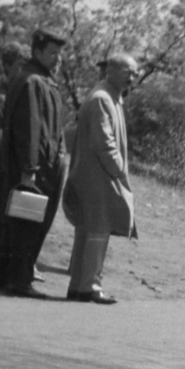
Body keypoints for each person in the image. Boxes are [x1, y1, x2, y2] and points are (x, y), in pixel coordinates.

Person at [0, 27, 69, 299]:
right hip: (33, 168)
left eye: (60, 54)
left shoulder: (39, 79)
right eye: (52, 53)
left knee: (19, 221)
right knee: (27, 223)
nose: (57, 59)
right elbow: (30, 128)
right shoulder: (34, 81)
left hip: (39, 164)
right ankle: (18, 280)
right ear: (37, 52)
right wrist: (29, 170)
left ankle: (5, 277)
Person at [63, 53, 138, 304]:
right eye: (129, 73)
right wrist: (118, 170)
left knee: (89, 232)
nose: (133, 78)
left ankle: (79, 286)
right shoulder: (101, 99)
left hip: (95, 177)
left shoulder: (110, 97)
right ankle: (90, 287)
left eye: (135, 73)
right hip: (98, 178)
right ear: (112, 71)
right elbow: (104, 142)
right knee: (97, 231)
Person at [0, 43, 29, 276]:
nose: (24, 71)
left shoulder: (19, 95)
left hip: (15, 164)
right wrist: (7, 164)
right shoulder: (0, 99)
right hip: (3, 164)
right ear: (7, 67)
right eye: (20, 65)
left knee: (10, 212)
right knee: (6, 211)